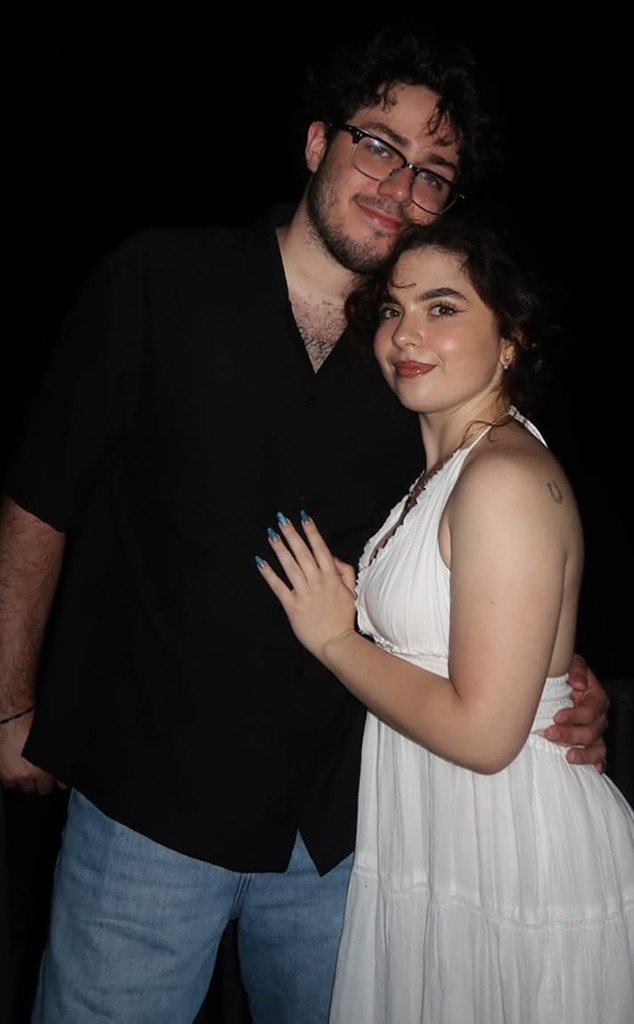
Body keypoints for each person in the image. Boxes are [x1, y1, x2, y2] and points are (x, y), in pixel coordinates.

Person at [0, 23, 609, 1024]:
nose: (398, 185)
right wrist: (11, 703)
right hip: (148, 808)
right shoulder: (160, 281)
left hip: (344, 828)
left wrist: (554, 670)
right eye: (378, 144)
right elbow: (40, 499)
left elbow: (482, 542)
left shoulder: (417, 364)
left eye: (430, 173)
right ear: (319, 140)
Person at [256, 216, 634, 1023]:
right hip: (447, 839)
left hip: (509, 851)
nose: (405, 334)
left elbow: (486, 734)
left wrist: (335, 637)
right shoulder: (450, 472)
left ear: (511, 339)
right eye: (393, 310)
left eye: (443, 308)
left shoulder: (501, 479)